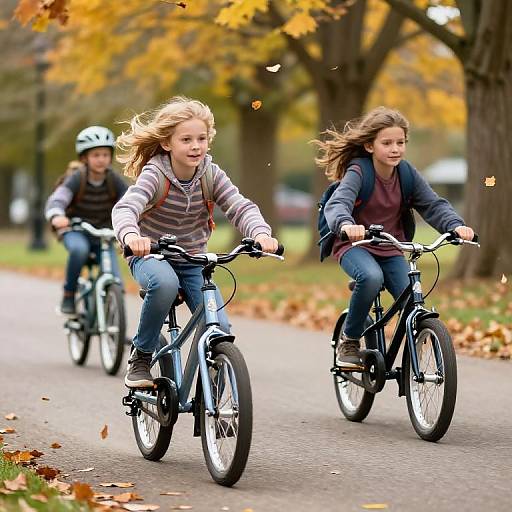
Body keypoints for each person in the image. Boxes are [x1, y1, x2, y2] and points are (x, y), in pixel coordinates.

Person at [112, 96, 279, 388]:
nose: (195, 146)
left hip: (192, 258)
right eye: (186, 139)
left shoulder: (210, 174)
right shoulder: (156, 173)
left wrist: (261, 234)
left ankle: (214, 398)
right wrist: (131, 236)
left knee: (220, 327)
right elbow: (127, 208)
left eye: (201, 138)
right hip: (150, 254)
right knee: (164, 284)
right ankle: (141, 356)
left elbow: (240, 206)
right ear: (167, 143)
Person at [314, 106, 474, 367]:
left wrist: (455, 226)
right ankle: (350, 340)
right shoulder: (359, 172)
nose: (395, 149)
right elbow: (338, 204)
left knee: (411, 298)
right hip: (355, 245)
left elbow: (433, 205)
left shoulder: (407, 174)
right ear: (369, 146)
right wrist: (346, 224)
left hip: (390, 248)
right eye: (386, 143)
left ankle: (416, 345)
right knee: (371, 276)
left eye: (400, 142)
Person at [45, 126, 128, 315]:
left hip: (103, 235)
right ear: (84, 158)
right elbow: (58, 199)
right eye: (96, 155)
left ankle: (114, 324)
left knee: (115, 279)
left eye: (106, 155)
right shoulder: (77, 178)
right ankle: (69, 295)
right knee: (79, 250)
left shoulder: (113, 179)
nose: (101, 159)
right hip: (77, 230)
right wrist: (57, 215)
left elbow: (129, 200)